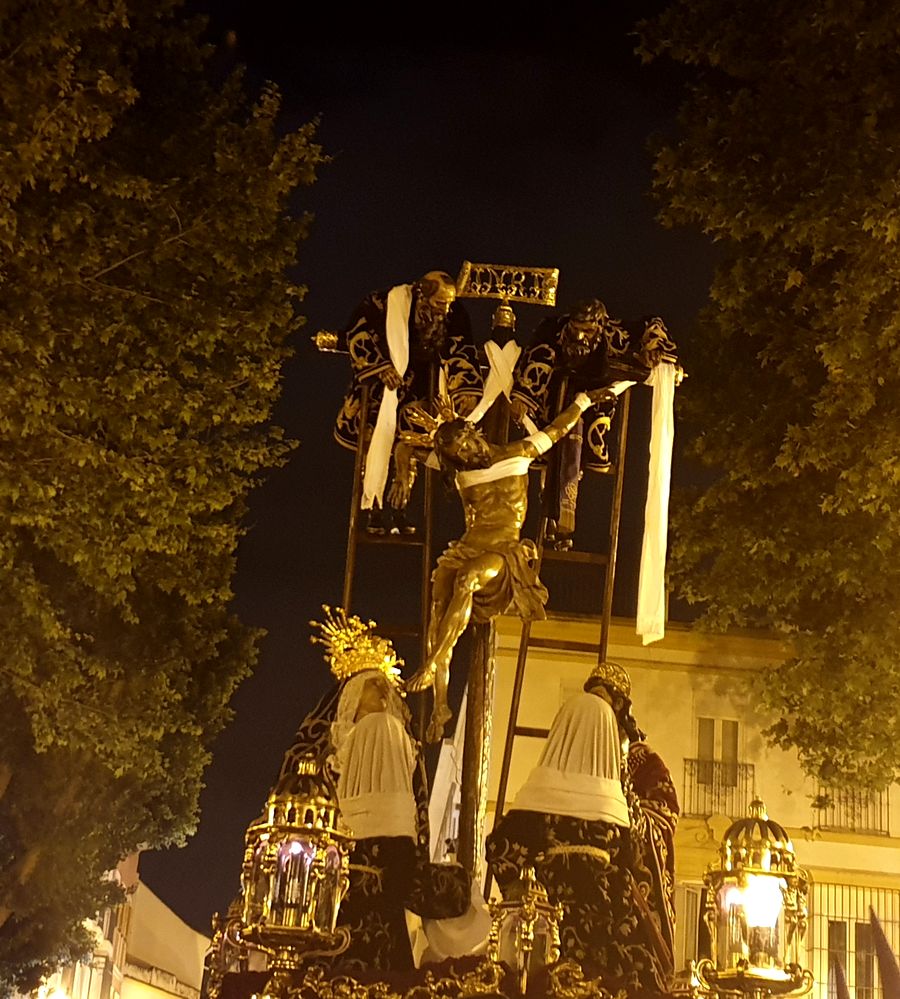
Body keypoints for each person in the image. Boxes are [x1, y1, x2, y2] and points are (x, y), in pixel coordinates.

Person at [403, 387, 616, 741]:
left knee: (468, 580)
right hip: (468, 545)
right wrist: (401, 470)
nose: (467, 455)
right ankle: (440, 704)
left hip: (502, 550)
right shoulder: (459, 472)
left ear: (474, 433)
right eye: (459, 455)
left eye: (466, 445)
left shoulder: (520, 453)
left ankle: (430, 665)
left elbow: (558, 430)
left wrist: (582, 401)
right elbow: (405, 447)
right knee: (437, 606)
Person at [274, 608, 470, 973]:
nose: (382, 691)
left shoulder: (398, 747)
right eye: (372, 685)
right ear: (349, 698)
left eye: (384, 686)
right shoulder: (323, 759)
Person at [485, 680, 660, 995]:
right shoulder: (615, 811)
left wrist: (529, 885)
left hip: (544, 932)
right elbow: (629, 872)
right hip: (604, 937)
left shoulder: (534, 801)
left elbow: (499, 848)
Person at [511, 301, 677, 549]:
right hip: (556, 401)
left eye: (587, 331)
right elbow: (537, 357)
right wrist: (524, 395)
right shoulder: (552, 328)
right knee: (551, 452)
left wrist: (653, 348)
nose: (580, 336)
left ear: (600, 326)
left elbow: (653, 324)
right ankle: (553, 515)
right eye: (576, 329)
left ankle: (564, 513)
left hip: (594, 402)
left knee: (577, 451)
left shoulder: (614, 334)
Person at [326, 270, 483, 533]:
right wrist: (380, 367)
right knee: (373, 441)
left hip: (422, 386)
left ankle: (400, 507)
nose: (445, 310)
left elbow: (461, 347)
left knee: (412, 443)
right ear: (422, 294)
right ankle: (373, 506)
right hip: (383, 384)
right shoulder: (383, 302)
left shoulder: (454, 313)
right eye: (439, 303)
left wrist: (464, 387)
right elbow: (358, 333)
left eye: (448, 304)